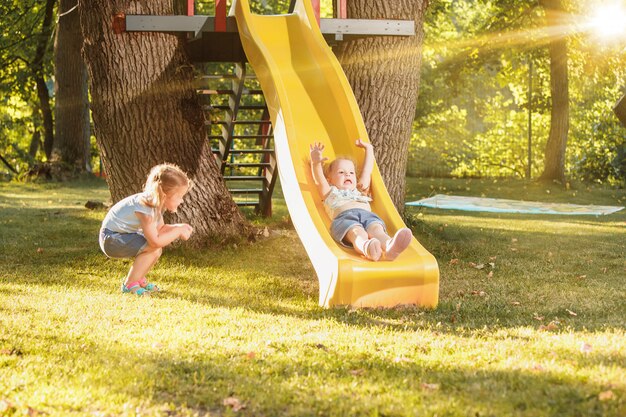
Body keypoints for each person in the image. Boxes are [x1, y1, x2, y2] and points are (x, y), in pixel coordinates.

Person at [99, 163, 194, 296]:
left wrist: (179, 227)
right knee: (153, 247)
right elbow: (155, 241)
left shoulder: (155, 204)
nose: (182, 201)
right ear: (165, 195)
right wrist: (177, 231)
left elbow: (160, 229)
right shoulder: (146, 207)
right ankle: (129, 284)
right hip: (112, 239)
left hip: (120, 236)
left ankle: (137, 279)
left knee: (155, 250)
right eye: (179, 196)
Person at [309, 139, 412, 261]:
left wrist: (369, 149)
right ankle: (366, 247)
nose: (347, 175)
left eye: (351, 173)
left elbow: (367, 170)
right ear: (330, 179)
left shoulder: (360, 189)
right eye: (341, 172)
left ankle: (390, 247)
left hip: (368, 216)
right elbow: (319, 180)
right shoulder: (330, 192)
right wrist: (315, 162)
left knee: (376, 229)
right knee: (357, 232)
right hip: (344, 218)